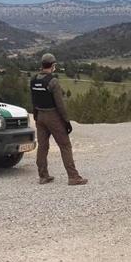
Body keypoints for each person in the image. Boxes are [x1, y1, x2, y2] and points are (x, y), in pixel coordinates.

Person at [30, 53, 88, 186]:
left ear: (42, 64)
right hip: (53, 116)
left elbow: (33, 100)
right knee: (65, 145)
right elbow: (60, 105)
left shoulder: (33, 80)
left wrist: (35, 115)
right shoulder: (53, 81)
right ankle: (73, 177)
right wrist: (66, 122)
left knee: (43, 147)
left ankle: (43, 176)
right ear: (53, 66)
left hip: (39, 115)